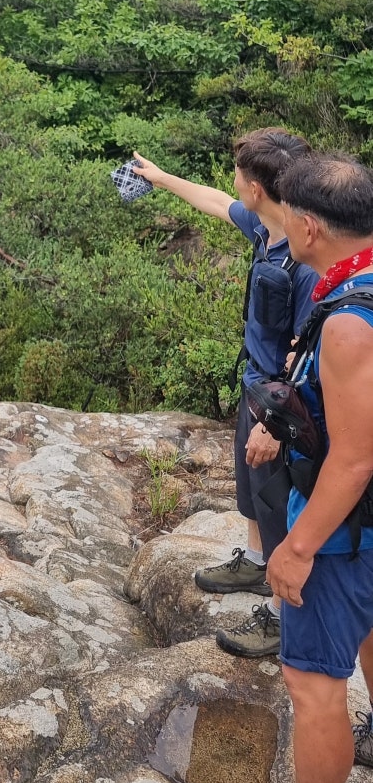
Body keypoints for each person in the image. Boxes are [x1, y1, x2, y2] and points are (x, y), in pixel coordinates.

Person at [220, 153, 373, 783]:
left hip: (347, 528)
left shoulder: (350, 323)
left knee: (314, 683)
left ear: (310, 226)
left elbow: (352, 459)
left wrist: (297, 547)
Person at [132, 131, 316, 658]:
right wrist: (160, 177)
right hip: (254, 385)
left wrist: (275, 425)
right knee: (253, 492)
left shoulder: (304, 260)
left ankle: (285, 615)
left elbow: (304, 356)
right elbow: (215, 202)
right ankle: (258, 566)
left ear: (256, 187)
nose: (232, 183)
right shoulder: (267, 228)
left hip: (285, 406)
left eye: (238, 175)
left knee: (281, 504)